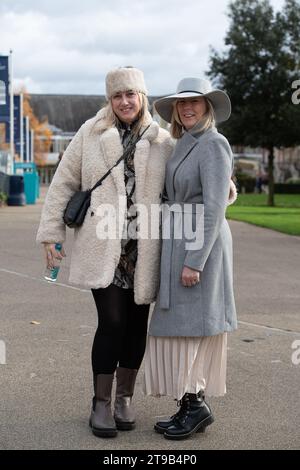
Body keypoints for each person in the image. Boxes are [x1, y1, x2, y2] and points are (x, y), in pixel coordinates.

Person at [36, 66, 173, 438]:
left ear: (142, 97)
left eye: (131, 94)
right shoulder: (91, 133)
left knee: (136, 326)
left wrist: (219, 180)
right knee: (112, 322)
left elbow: (188, 178)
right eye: (117, 95)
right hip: (103, 247)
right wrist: (51, 233)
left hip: (144, 250)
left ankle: (125, 398)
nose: (125, 101)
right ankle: (101, 403)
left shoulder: (162, 139)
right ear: (109, 100)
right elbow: (64, 182)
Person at [143, 77, 238, 440]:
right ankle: (190, 403)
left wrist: (195, 261)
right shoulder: (184, 142)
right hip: (180, 240)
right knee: (182, 330)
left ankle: (196, 407)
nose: (186, 109)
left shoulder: (214, 144)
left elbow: (215, 208)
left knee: (194, 330)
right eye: (181, 105)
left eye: (193, 103)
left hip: (201, 247)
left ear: (207, 108)